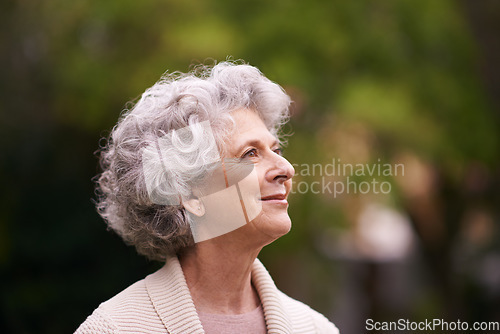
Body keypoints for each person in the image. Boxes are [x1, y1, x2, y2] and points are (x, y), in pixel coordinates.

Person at [75, 61, 339, 334]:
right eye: (250, 153)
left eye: (277, 150)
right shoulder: (115, 328)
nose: (286, 169)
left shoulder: (315, 328)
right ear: (188, 194)